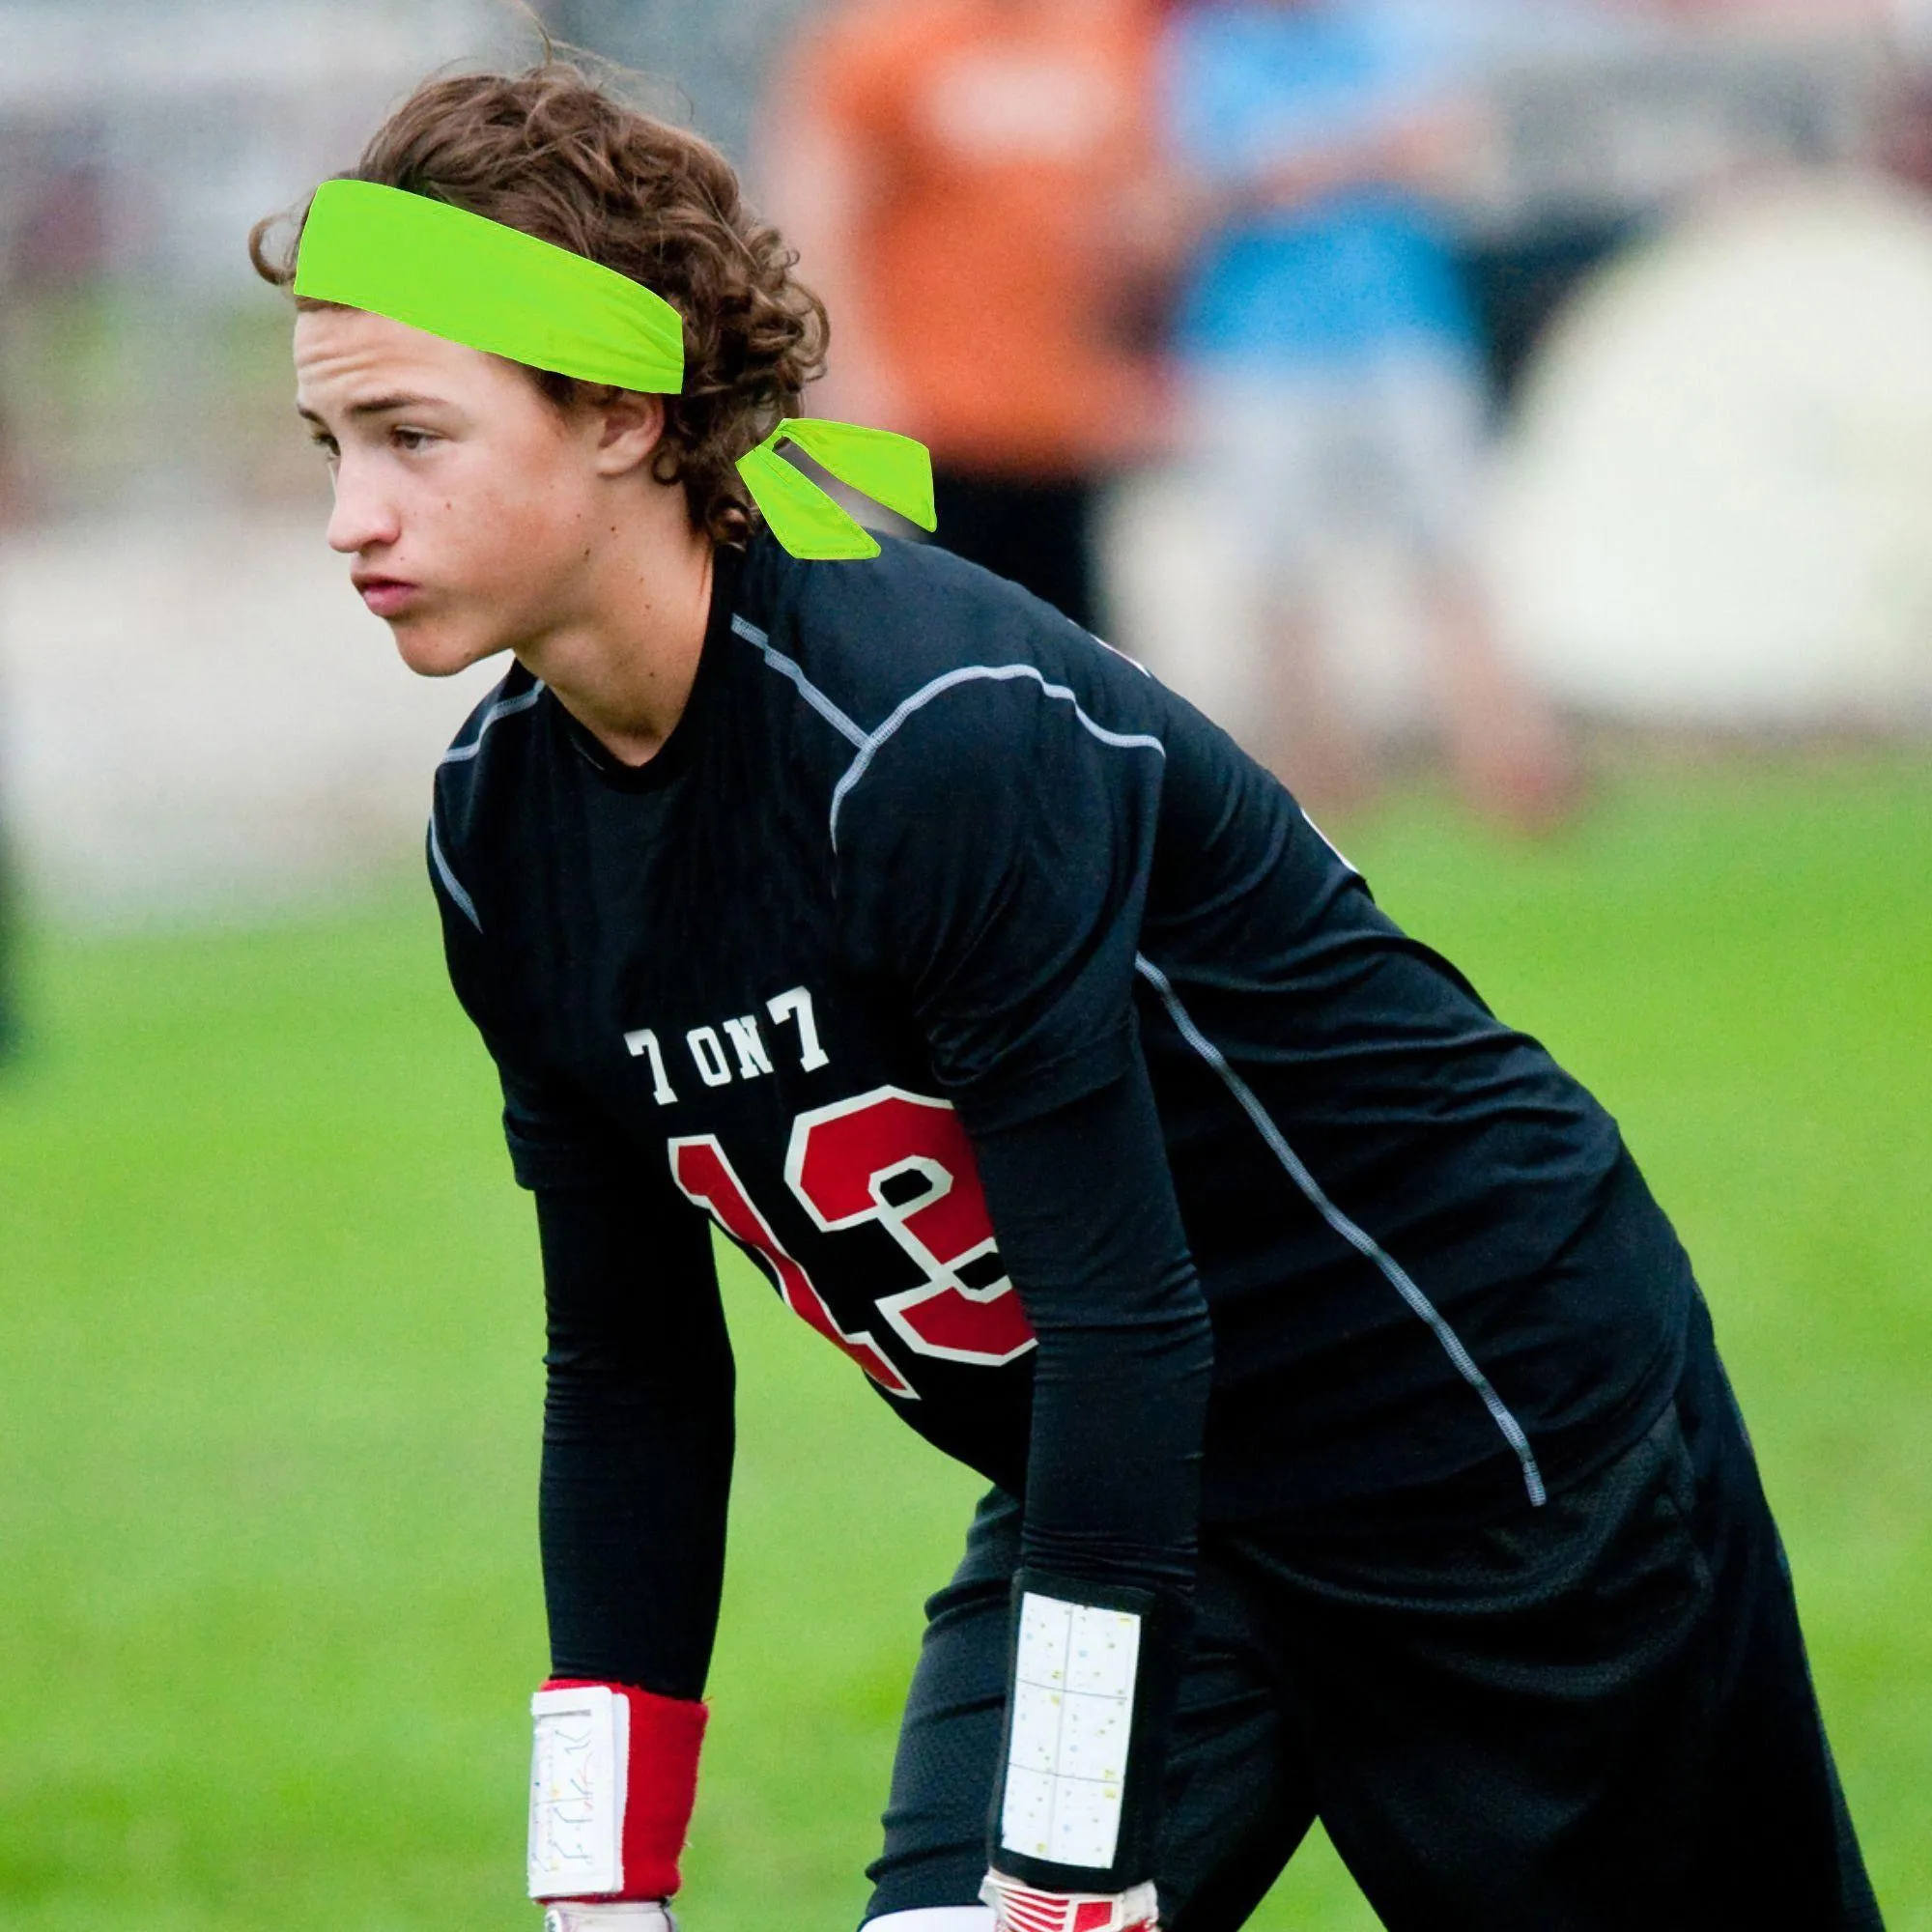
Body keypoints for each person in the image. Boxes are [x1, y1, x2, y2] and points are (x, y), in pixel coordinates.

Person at [252, 53, 1883, 1932]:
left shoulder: (921, 734)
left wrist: (1053, 1871)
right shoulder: (496, 826)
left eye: (412, 436)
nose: (349, 516)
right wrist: (595, 1892)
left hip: (1474, 1431)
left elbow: (1124, 1317)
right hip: (1122, 1494)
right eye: (331, 448)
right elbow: (627, 1373)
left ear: (621, 409)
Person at [1146, 0, 1577, 829]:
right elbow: (1193, 192)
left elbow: (1447, 153)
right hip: (1257, 348)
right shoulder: (1207, 51)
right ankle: (1316, 782)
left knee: (1453, 558)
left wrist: (1301, 167)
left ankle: (1511, 771)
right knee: (1276, 578)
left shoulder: (1394, 34)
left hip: (1405, 331)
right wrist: (1362, 153)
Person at [755, 0, 1174, 633]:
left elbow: (1142, 210)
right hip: (935, 424)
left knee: (1073, 662)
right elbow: (819, 217)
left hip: (1062, 427)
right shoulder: (890, 41)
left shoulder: (1101, 36)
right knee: (944, 648)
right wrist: (849, 375)